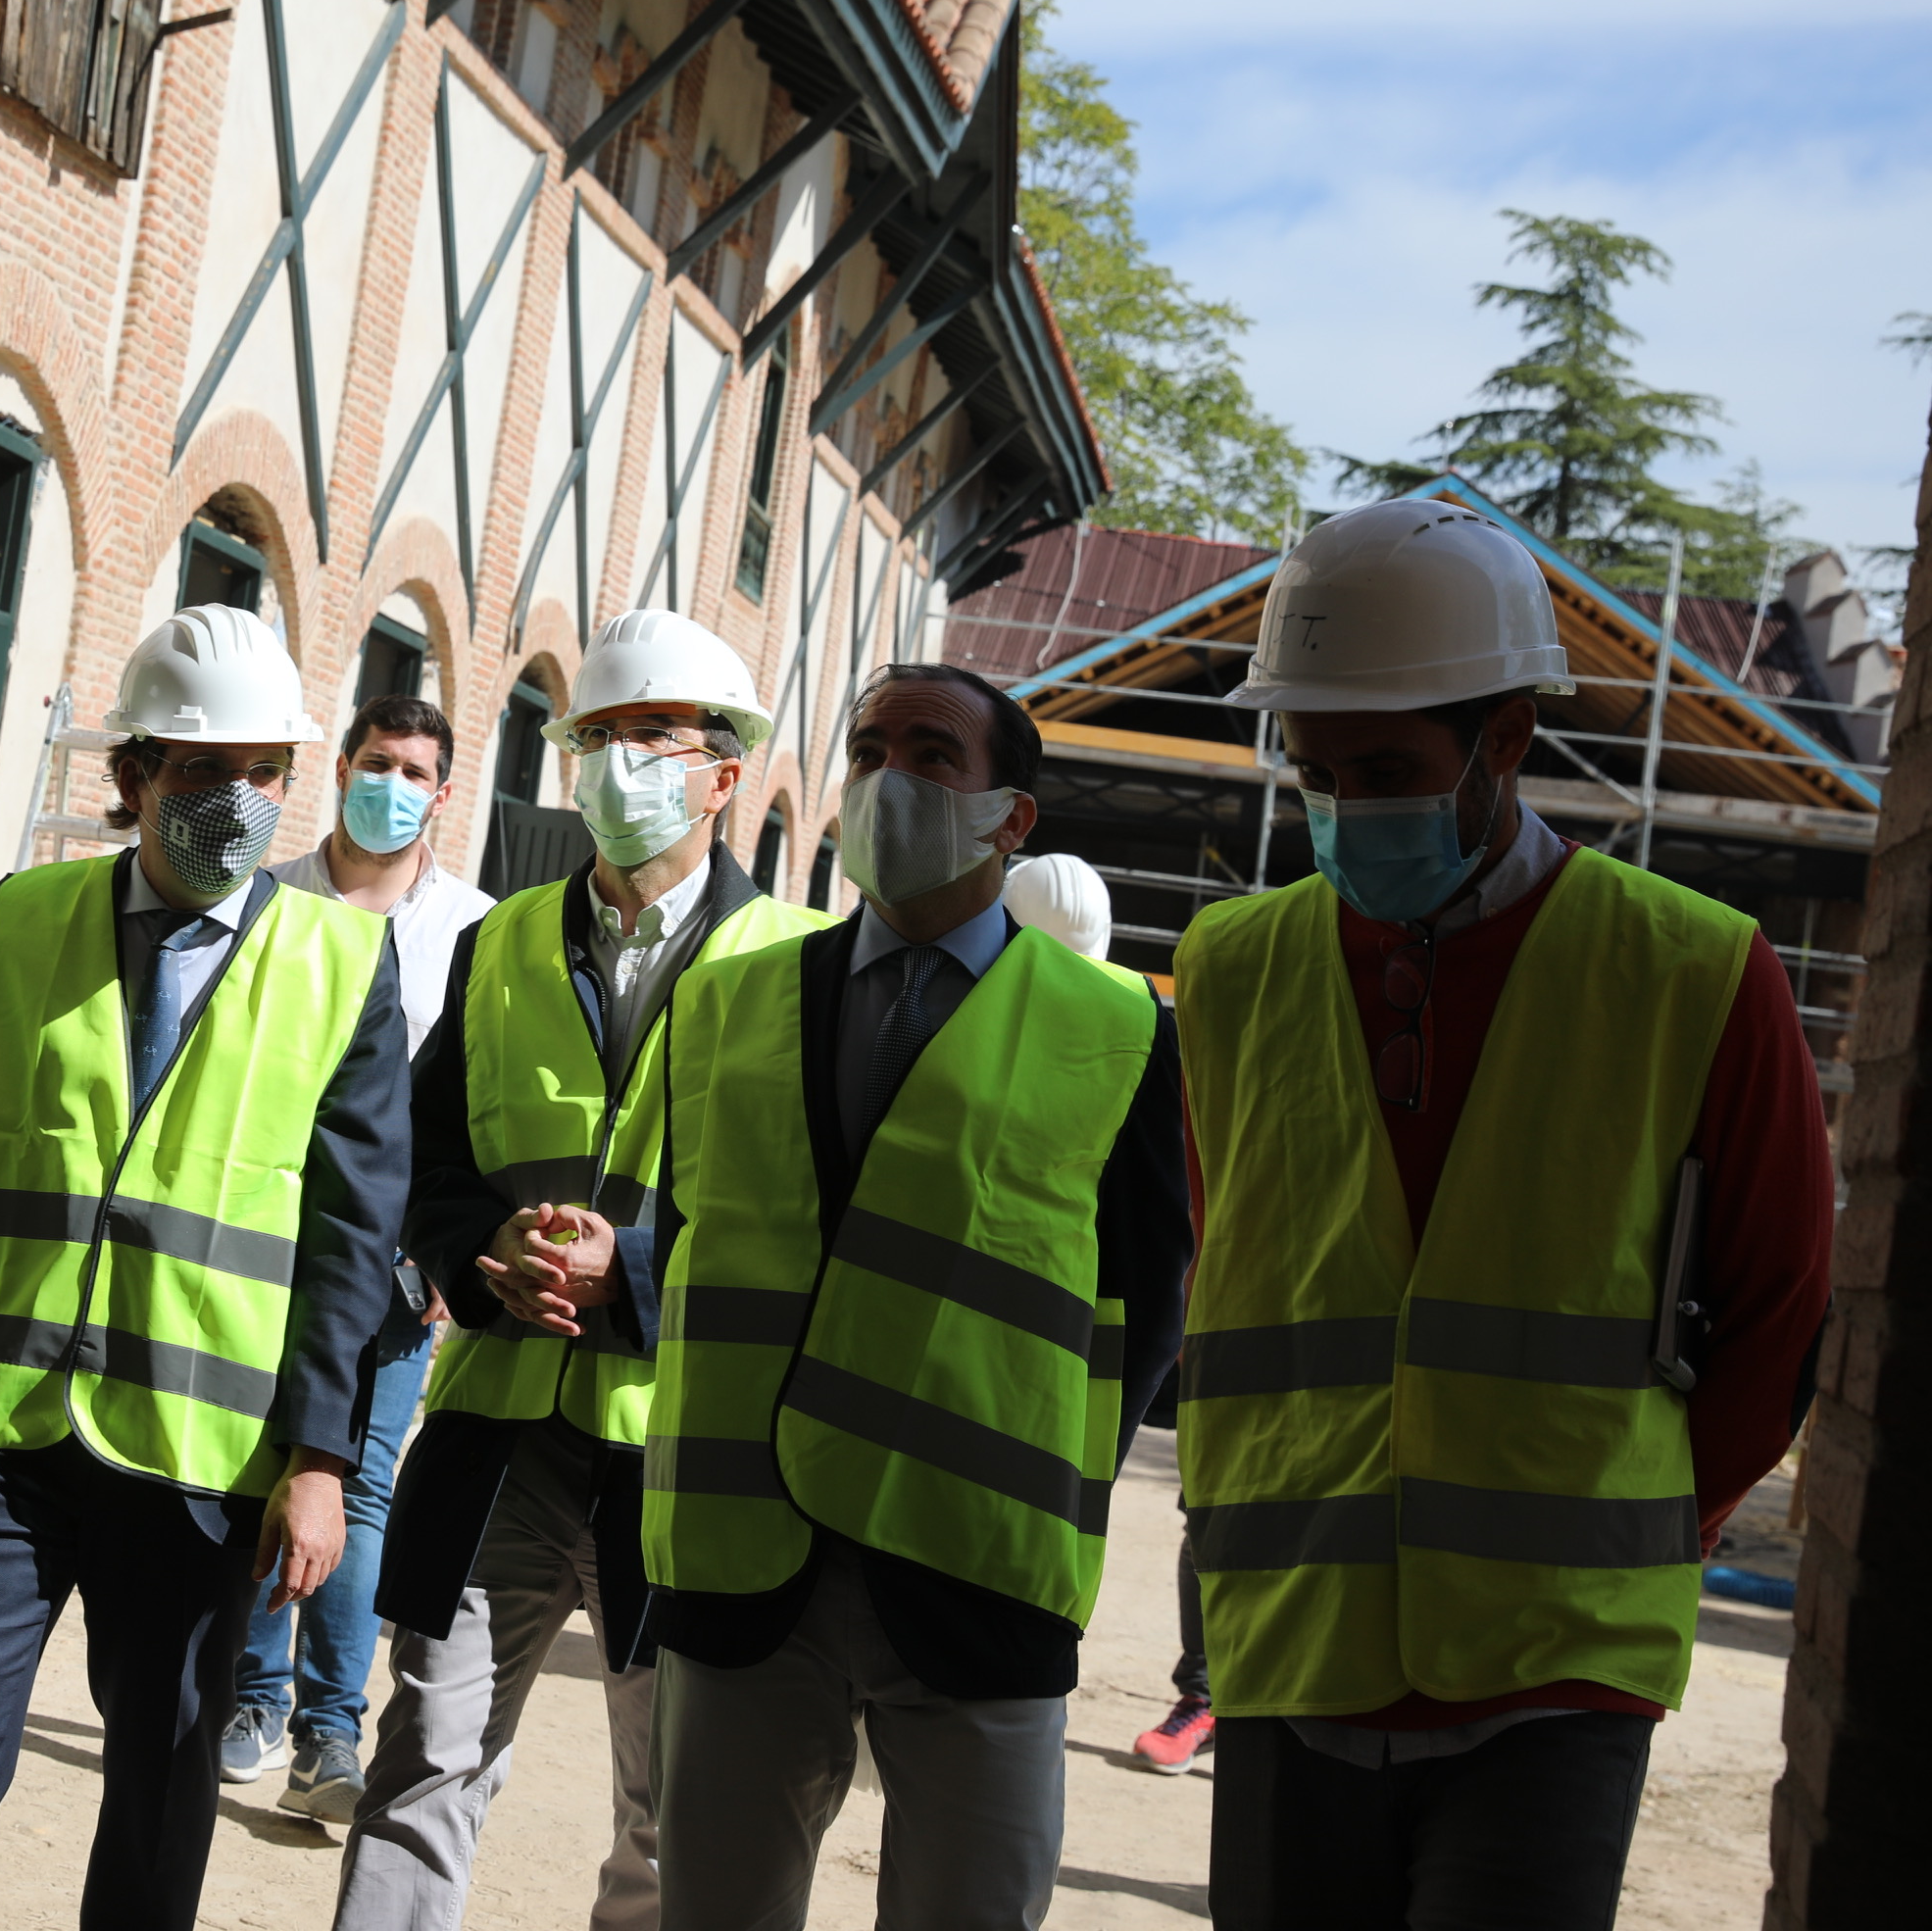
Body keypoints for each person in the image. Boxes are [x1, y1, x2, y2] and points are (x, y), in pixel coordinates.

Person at [1172, 499, 1830, 1930]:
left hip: (1559, 1668)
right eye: (1320, 769)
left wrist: (1646, 1534)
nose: (1349, 805)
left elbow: (1779, 1313)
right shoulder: (1232, 969)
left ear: (1510, 740)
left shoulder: (1693, 971)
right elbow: (1240, 1265)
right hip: (1292, 1638)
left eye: (1393, 769)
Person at [0, 604, 411, 1931]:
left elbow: (352, 1240)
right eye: (206, 772)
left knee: (162, 1776)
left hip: (202, 1456)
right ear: (134, 775)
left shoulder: (341, 961)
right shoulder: (25, 918)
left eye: (267, 773)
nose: (242, 801)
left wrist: (321, 1462)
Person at [644, 661, 1191, 1929]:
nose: (892, 776)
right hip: (746, 1562)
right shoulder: (725, 1001)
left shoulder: (1117, 1030)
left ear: (1013, 816)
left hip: (976, 1566)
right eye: (870, 746)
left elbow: (1146, 1292)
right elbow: (688, 1236)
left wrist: (1061, 1473)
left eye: (933, 754)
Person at [336, 610, 825, 1931]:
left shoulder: (798, 970)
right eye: (595, 738)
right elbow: (427, 1164)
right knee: (423, 1762)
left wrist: (644, 1272)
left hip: (690, 1450)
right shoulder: (496, 947)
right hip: (502, 1429)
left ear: (725, 773)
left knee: (672, 1812)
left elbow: (814, 1215)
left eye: (648, 738)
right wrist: (469, 1248)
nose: (618, 765)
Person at [222, 692, 494, 1822]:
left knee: (361, 1481)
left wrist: (447, 1250)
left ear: (443, 792)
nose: (391, 784)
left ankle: (329, 1728)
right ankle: (252, 1691)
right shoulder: (268, 898)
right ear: (340, 768)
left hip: (391, 1256)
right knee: (256, 1459)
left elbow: (477, 1104)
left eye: (414, 769)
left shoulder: (472, 928)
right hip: (259, 1234)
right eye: (374, 761)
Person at [1008, 854, 1216, 1775]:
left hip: (1102, 1343)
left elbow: (1161, 1233)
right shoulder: (950, 1017)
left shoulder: (1146, 1042)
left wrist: (1124, 1398)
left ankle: (1208, 1697)